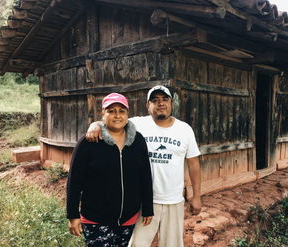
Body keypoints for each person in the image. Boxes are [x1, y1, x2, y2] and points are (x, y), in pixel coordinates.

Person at [86, 85, 201, 247]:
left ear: (171, 103)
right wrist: (95, 125)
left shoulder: (185, 129)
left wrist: (196, 195)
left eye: (164, 99)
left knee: (172, 244)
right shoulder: (137, 124)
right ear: (148, 106)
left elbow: (194, 163)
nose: (160, 103)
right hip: (142, 201)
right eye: (155, 100)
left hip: (174, 200)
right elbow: (113, 120)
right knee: (136, 244)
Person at [66, 93, 153, 247]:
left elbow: (145, 176)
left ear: (127, 114)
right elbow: (74, 181)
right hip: (96, 218)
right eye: (111, 111)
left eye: (121, 111)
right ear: (103, 114)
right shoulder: (88, 142)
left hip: (128, 217)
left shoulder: (138, 141)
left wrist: (147, 207)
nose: (117, 115)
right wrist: (73, 215)